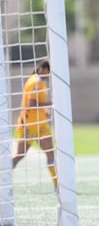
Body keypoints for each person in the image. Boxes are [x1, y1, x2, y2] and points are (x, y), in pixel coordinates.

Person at [12, 60, 57, 190]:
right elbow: (31, 104)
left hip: (40, 124)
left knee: (50, 153)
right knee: (20, 155)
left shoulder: (41, 82)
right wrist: (50, 103)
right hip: (29, 125)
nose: (50, 76)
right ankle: (4, 174)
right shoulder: (35, 82)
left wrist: (45, 110)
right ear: (44, 70)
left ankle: (57, 184)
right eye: (50, 72)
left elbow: (38, 102)